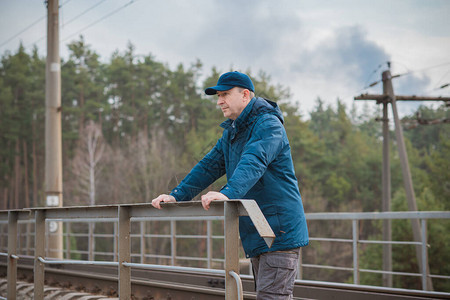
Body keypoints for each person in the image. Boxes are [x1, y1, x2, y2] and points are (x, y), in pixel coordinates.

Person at [151, 71, 309, 299]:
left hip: (278, 231)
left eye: (224, 94)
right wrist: (177, 196)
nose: (219, 101)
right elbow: (209, 166)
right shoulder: (233, 132)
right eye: (217, 96)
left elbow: (255, 160)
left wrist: (229, 193)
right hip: (260, 230)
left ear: (245, 95)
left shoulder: (268, 124)